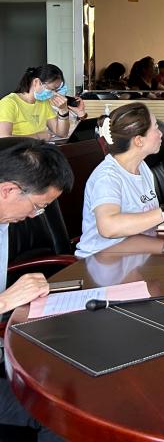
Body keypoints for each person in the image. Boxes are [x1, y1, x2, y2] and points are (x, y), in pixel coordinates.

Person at [0, 139, 73, 441]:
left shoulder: (4, 222)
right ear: (8, 190)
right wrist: (5, 300)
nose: (35, 216)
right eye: (38, 206)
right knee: (60, 412)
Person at [76, 103, 164, 258]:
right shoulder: (108, 177)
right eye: (156, 128)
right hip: (102, 261)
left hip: (137, 254)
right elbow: (108, 227)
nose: (161, 133)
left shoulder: (143, 167)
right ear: (139, 140)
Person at [0, 64, 87, 139]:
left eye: (56, 90)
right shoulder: (9, 103)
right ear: (36, 82)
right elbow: (3, 138)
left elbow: (62, 133)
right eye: (52, 89)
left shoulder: (44, 102)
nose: (54, 93)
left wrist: (63, 110)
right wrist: (38, 137)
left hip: (39, 149)